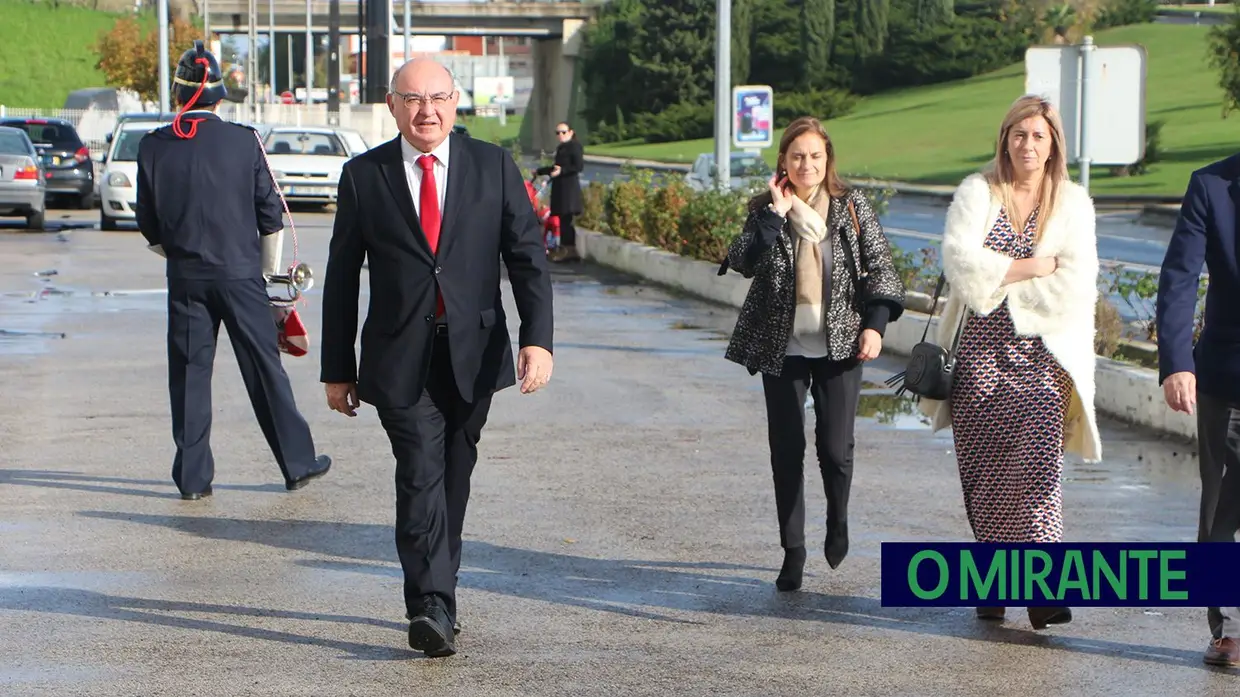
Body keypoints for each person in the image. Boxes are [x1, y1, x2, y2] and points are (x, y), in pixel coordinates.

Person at [319, 58, 554, 658]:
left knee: (455, 472)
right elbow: (342, 277)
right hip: (399, 358)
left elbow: (527, 256)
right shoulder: (364, 177)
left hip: (473, 352)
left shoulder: (492, 167)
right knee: (419, 471)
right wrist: (336, 368)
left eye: (438, 98)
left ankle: (440, 593)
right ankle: (428, 605)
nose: (427, 111)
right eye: (413, 99)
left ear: (456, 102)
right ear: (392, 106)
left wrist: (538, 339)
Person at [919, 95, 1100, 630]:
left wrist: (1006, 275)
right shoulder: (978, 193)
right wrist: (1031, 266)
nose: (1027, 144)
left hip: (1043, 360)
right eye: (1019, 134)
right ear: (1005, 140)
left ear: (1052, 146)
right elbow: (961, 266)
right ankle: (993, 584)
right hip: (977, 357)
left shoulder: (1073, 203)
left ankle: (1043, 590)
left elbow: (1073, 282)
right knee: (987, 474)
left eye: (1038, 136)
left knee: (1041, 474)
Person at [135, 41, 331, 501]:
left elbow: (148, 221)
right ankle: (297, 463)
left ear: (179, 96)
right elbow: (270, 213)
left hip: (185, 278)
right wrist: (267, 277)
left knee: (188, 375)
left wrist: (181, 257)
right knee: (264, 370)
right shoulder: (244, 141)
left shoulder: (153, 146)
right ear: (219, 97)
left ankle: (193, 479)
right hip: (242, 276)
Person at [721, 116, 906, 592]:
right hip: (781, 347)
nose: (807, 164)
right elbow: (741, 260)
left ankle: (838, 520)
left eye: (816, 156)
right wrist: (775, 214)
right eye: (797, 156)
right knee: (786, 449)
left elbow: (882, 270)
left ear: (828, 161)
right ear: (783, 161)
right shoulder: (766, 209)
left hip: (840, 345)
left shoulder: (851, 207)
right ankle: (793, 550)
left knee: (835, 450)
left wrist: (876, 327)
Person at [1156, 155, 1240, 668]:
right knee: (1223, 510)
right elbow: (1180, 276)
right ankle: (1227, 628)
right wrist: (1177, 362)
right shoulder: (1212, 186)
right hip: (1228, 380)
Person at [536, 122, 584, 262]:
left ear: (571, 132)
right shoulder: (562, 147)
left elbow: (577, 166)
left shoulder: (574, 146)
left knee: (566, 220)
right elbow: (556, 168)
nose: (560, 135)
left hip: (569, 189)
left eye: (563, 132)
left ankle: (569, 250)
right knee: (563, 220)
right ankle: (566, 250)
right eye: (558, 133)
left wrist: (562, 171)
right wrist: (540, 171)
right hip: (560, 188)